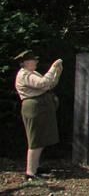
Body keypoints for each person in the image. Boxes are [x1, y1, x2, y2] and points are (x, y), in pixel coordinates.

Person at [14, 51, 63, 182]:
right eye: (33, 60)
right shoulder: (24, 75)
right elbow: (41, 83)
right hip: (34, 108)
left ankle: (35, 167)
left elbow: (49, 84)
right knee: (35, 139)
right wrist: (52, 68)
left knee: (40, 139)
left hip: (41, 107)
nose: (36, 62)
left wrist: (57, 72)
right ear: (25, 62)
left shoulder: (32, 74)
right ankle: (30, 172)